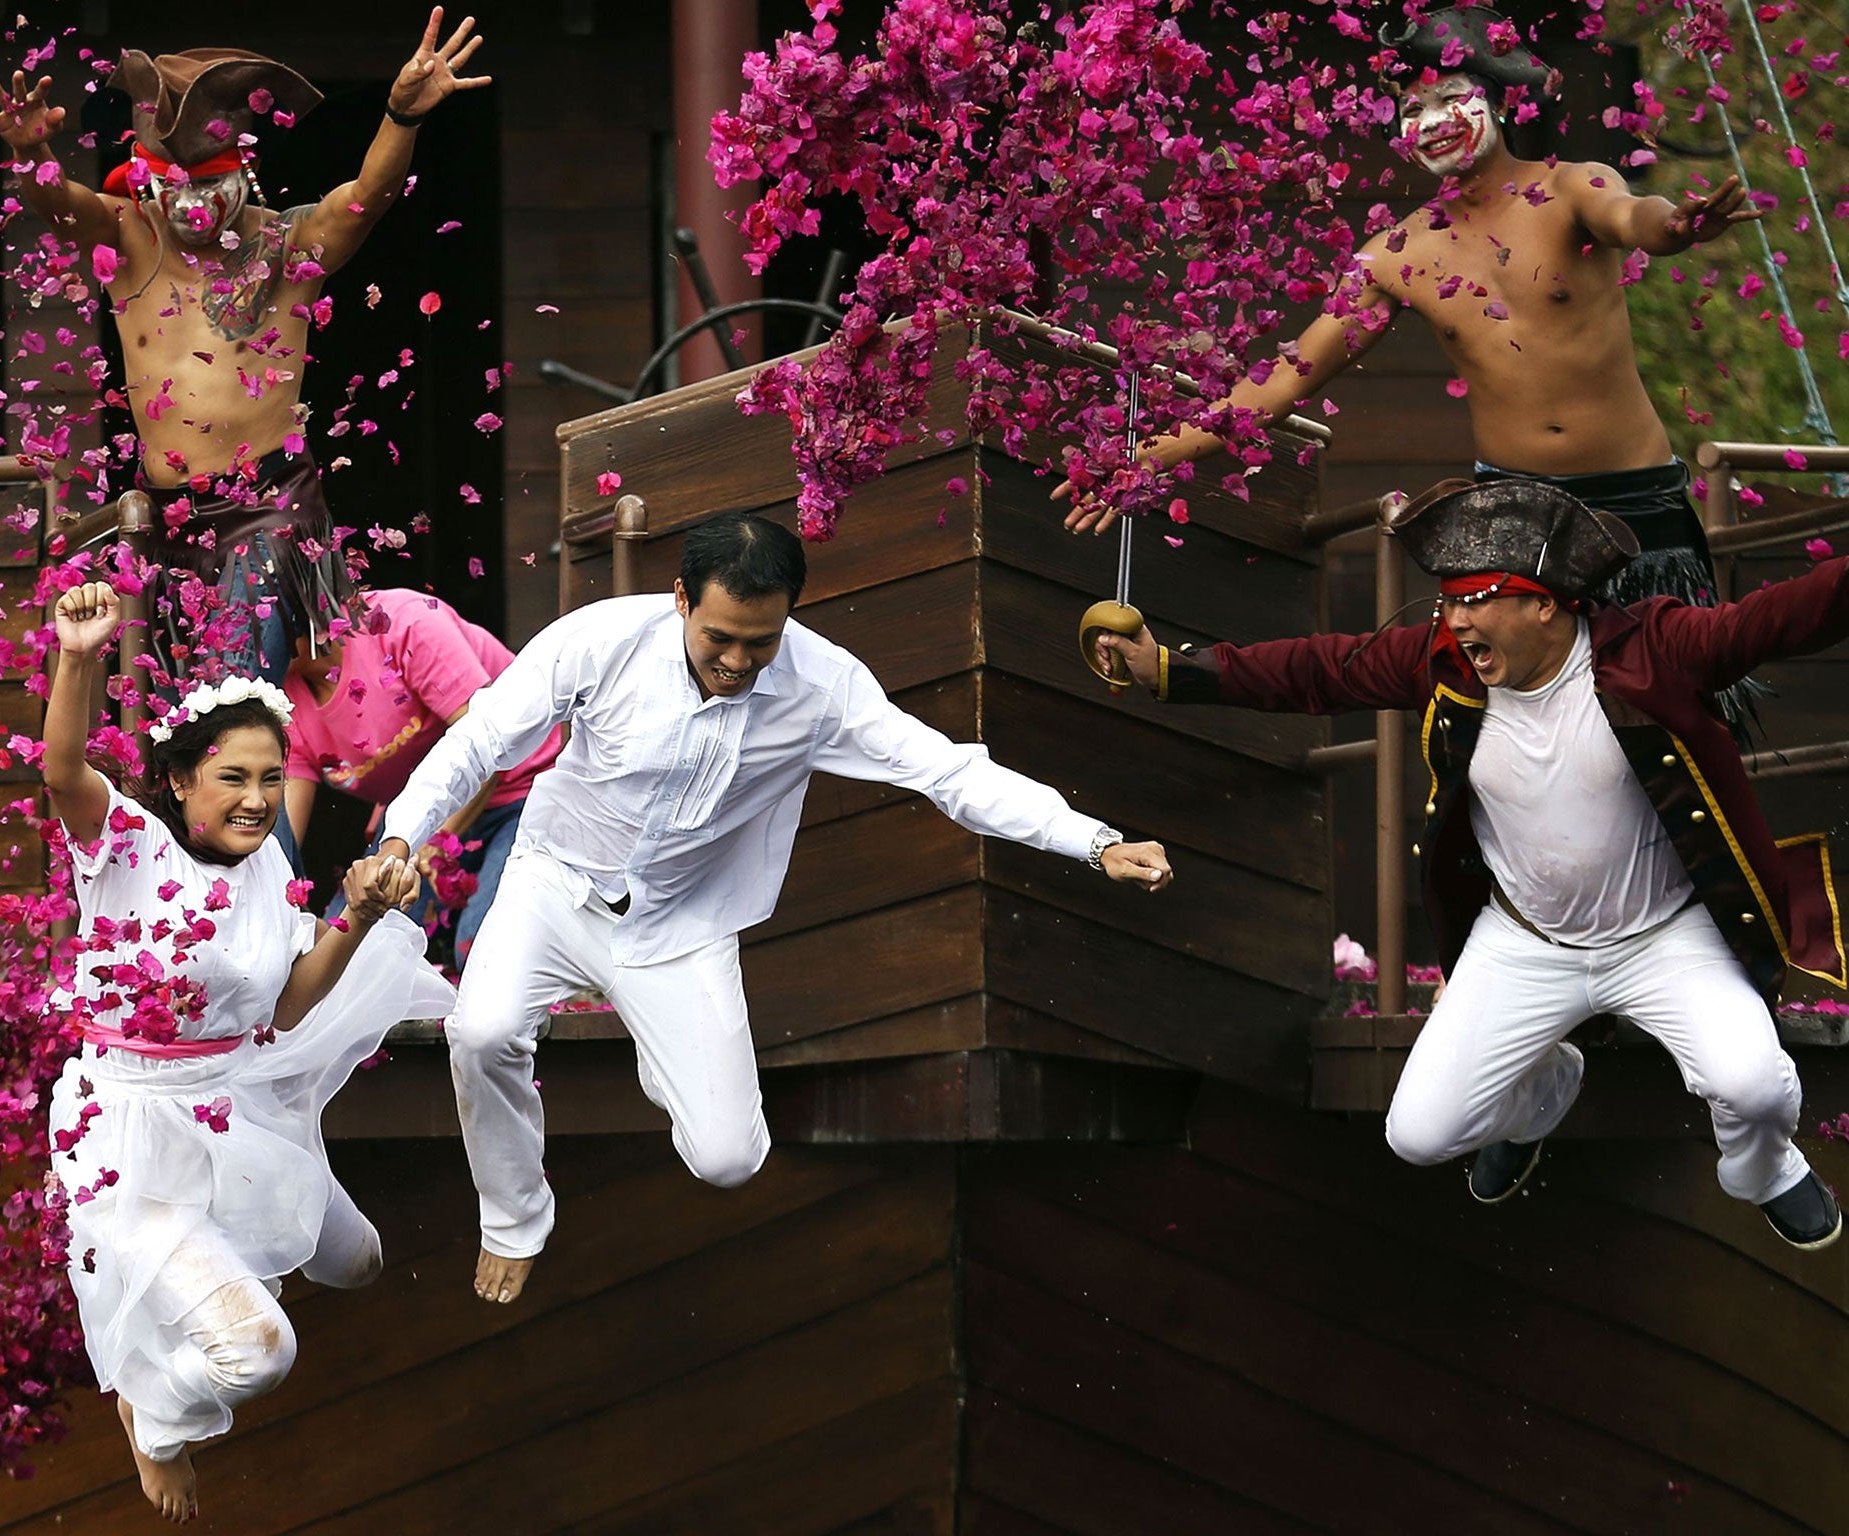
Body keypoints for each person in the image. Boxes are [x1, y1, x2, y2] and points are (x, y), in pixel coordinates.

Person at [375, 513, 1176, 1306]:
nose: (736, 660)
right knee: (480, 1031)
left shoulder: (823, 687)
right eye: (720, 636)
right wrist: (403, 836)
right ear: (682, 599)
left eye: (760, 643)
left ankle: (672, 1057)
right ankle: (515, 1220)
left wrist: (1092, 839)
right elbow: (479, 743)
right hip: (553, 886)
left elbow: (950, 773)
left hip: (681, 924)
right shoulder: (599, 640)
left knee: (728, 1159)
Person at [1094, 478, 1844, 1251]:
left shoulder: (1653, 648)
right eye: (1448, 599)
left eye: (1478, 598)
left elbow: (1784, 617)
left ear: (1546, 604)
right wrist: (1170, 670)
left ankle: (1761, 1172)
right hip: (1524, 943)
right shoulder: (1443, 661)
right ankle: (1544, 1091)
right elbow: (1321, 669)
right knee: (1418, 1135)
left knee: (1753, 1089)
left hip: (1666, 939)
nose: (1454, 619)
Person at [1057, 5, 1759, 615]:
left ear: (1498, 102)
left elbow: (1637, 218)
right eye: (1413, 109)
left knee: (1668, 709)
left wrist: (1680, 229)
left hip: (1633, 496)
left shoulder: (1575, 188)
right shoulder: (1394, 254)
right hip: (1511, 508)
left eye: (1450, 97)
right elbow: (1283, 381)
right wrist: (1149, 457)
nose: (1430, 121)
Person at [42, 581, 456, 1522]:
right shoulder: (127, 846)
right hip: (136, 1131)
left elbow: (291, 1000)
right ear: (183, 780)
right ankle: (158, 1413)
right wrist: (78, 657)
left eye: (273, 779)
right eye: (233, 778)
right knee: (259, 1354)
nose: (259, 799)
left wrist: (354, 914)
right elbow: (64, 771)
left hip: (234, 1099)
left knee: (359, 1263)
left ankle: (215, 1259)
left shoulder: (272, 859)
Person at [0, 10, 491, 684]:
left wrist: (400, 117)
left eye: (208, 186)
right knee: (191, 744)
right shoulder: (132, 237)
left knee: (235, 700)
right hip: (167, 518)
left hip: (267, 509)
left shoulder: (285, 245)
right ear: (148, 182)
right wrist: (29, 154)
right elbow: (59, 206)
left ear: (242, 171)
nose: (191, 208)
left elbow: (367, 197)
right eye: (174, 189)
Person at [282, 587, 564, 969]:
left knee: (483, 955)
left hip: (524, 786)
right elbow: (280, 836)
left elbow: (483, 751)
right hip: (420, 812)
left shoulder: (404, 621)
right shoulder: (286, 700)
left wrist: (426, 849)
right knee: (347, 950)